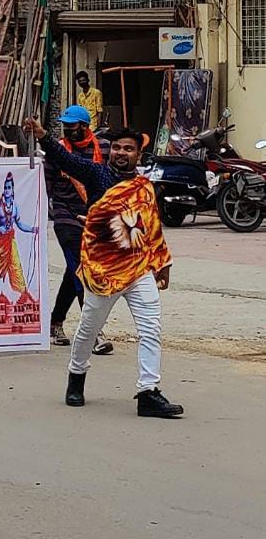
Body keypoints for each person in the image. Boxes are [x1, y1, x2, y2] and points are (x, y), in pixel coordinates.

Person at [24, 117, 182, 418]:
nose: (121, 153)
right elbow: (66, 161)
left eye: (129, 149)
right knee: (87, 330)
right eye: (118, 148)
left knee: (151, 329)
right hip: (103, 272)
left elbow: (152, 227)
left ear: (139, 156)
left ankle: (148, 392)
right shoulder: (96, 174)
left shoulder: (144, 188)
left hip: (138, 269)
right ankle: (76, 376)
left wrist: (164, 262)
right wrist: (44, 137)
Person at [47, 106, 113, 355]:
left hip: (94, 217)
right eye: (65, 125)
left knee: (73, 270)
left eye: (72, 125)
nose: (68, 129)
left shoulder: (104, 148)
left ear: (85, 126)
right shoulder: (57, 152)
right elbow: (46, 184)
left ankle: (55, 321)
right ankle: (93, 332)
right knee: (82, 270)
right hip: (66, 215)